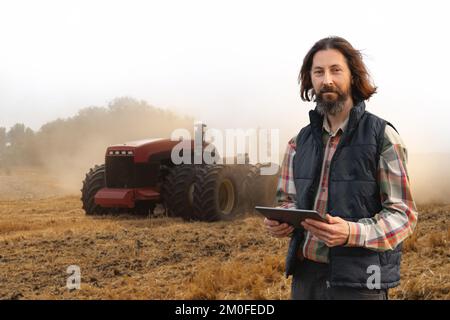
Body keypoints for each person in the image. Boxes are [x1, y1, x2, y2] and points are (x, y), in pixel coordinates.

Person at [264, 36, 418, 300]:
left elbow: (402, 215)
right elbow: (287, 202)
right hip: (305, 280)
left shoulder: (382, 136)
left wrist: (351, 232)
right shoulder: (298, 143)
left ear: (353, 77)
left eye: (336, 70)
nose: (327, 80)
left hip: (359, 283)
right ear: (309, 80)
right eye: (318, 72)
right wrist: (281, 220)